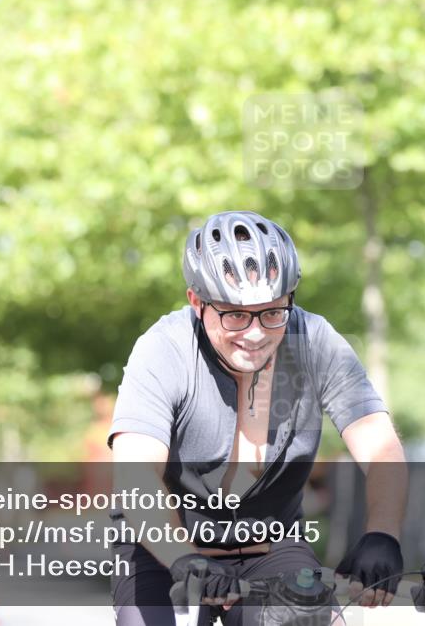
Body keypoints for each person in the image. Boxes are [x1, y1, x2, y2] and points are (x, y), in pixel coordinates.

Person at [108, 210, 407, 626]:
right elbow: (135, 472)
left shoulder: (316, 342)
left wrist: (383, 533)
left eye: (271, 312)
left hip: (269, 545)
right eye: (234, 314)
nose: (254, 333)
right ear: (197, 302)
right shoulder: (164, 349)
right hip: (162, 545)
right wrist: (182, 557)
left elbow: (379, 443)